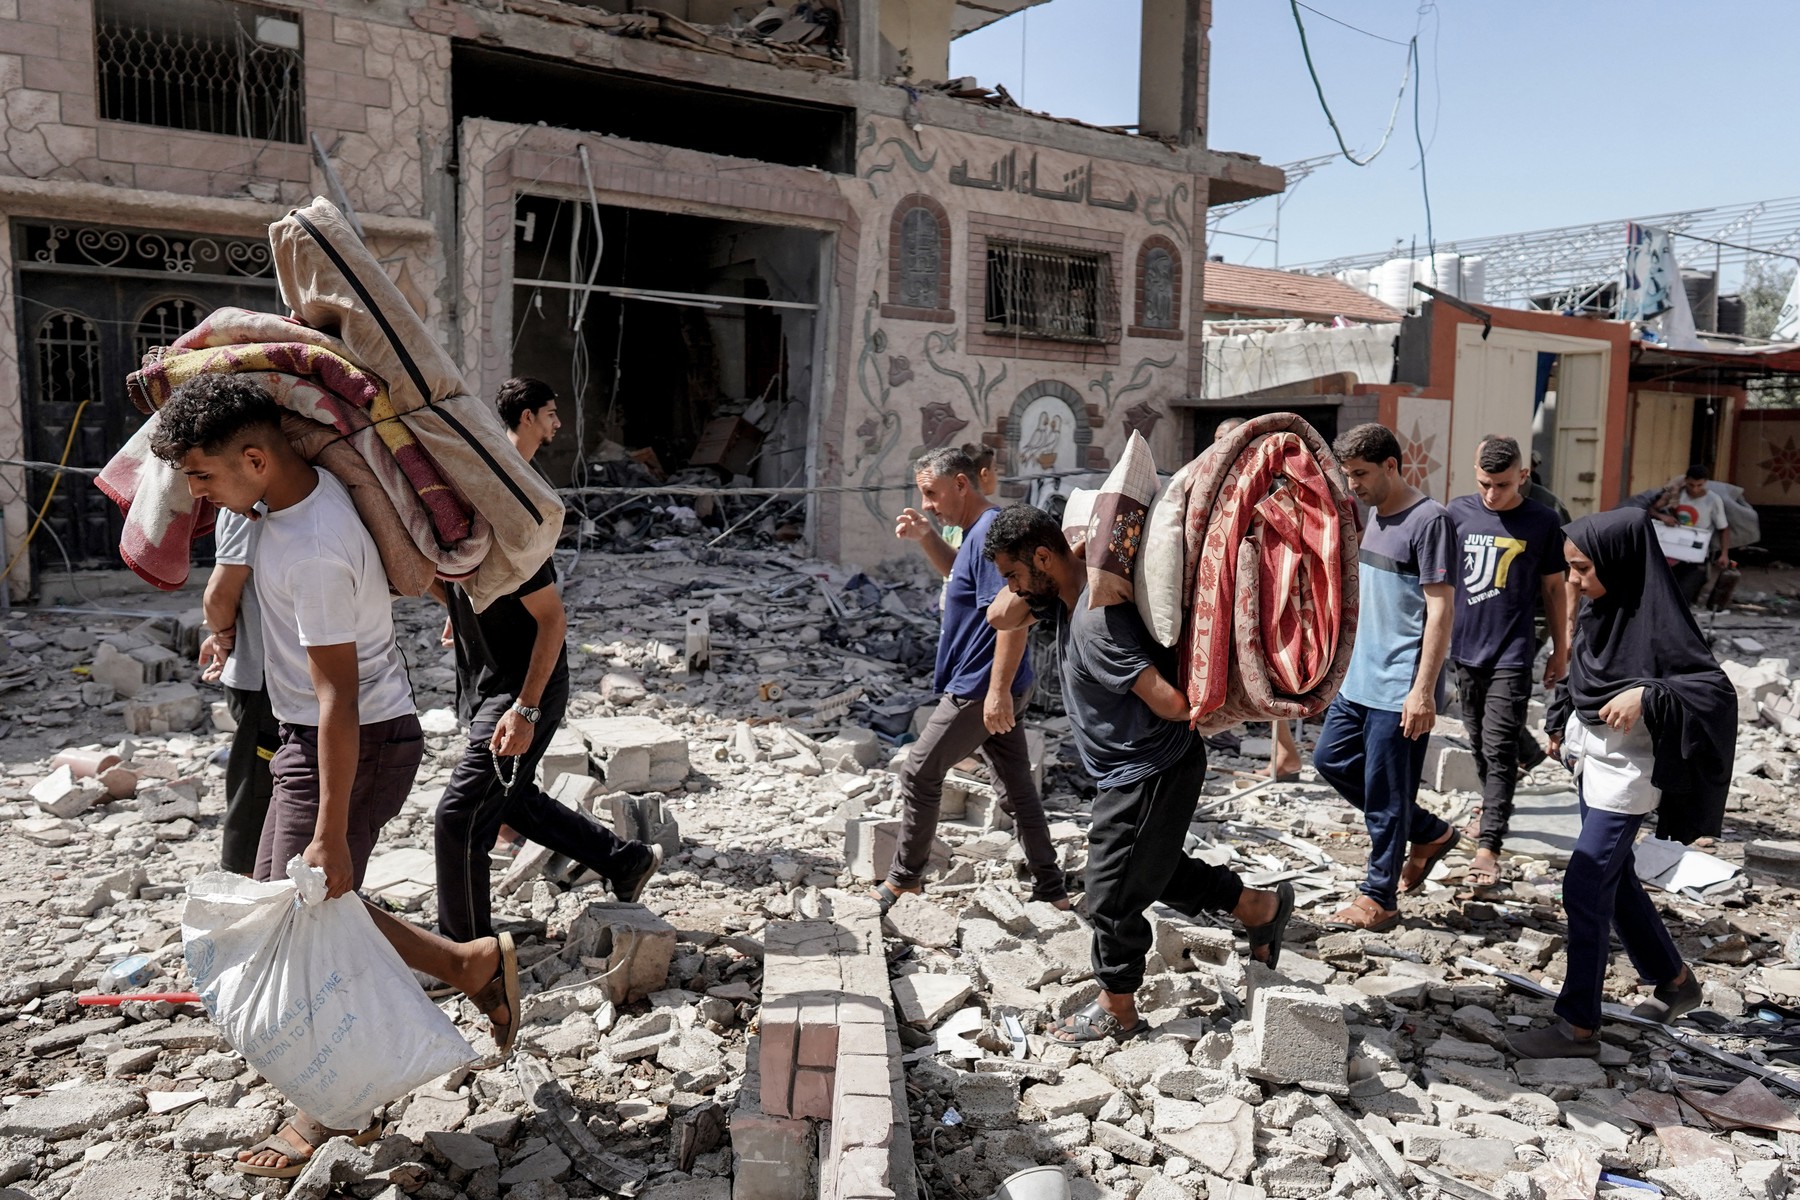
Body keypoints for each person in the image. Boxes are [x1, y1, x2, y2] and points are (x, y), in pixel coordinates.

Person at [150, 376, 519, 1176]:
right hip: (312, 735)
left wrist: (328, 830)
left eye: (203, 477)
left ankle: (327, 1111)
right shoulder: (271, 508)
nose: (197, 494)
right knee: (308, 903)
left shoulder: (315, 544)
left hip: (352, 739)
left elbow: (337, 696)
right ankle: (465, 964)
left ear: (254, 459)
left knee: (303, 909)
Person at [984, 504, 1292, 1042]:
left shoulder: (1098, 621)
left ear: (1041, 557)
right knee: (1152, 867)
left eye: (1013, 573)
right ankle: (1259, 906)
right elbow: (999, 617)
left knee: (1106, 894)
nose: (1011, 586)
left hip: (1150, 767)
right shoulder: (1066, 597)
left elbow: (1172, 702)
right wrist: (1058, 564)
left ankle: (1117, 1007)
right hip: (1133, 767)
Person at [434, 378, 661, 945]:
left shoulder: (516, 515)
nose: (558, 423)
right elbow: (457, 582)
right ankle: (625, 861)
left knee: (460, 819)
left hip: (520, 687)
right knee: (513, 800)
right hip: (489, 676)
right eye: (552, 414)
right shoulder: (475, 513)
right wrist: (458, 605)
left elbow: (552, 619)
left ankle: (467, 951)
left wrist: (526, 710)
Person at [1509, 509, 1734, 1058]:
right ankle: (1675, 981)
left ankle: (1578, 1028)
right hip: (1591, 762)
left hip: (1629, 775)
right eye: (1569, 569)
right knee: (1614, 877)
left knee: (1585, 883)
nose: (1575, 582)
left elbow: (1713, 692)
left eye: (1584, 569)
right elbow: (1581, 671)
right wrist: (1561, 717)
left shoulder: (1658, 622)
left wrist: (1648, 696)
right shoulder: (1600, 610)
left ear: (1620, 563)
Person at [878, 448, 1066, 911]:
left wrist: (997, 692)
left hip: (981, 684)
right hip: (990, 682)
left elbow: (1015, 616)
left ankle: (905, 880)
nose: (926, 504)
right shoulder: (976, 534)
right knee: (1017, 789)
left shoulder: (991, 534)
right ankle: (1052, 888)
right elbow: (962, 579)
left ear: (962, 484)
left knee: (920, 772)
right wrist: (927, 538)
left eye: (931, 493)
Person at [1312, 423, 1459, 930]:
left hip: (1400, 686)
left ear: (1392, 466)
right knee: (1330, 760)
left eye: (1361, 474)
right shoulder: (1371, 516)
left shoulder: (1430, 521)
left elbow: (1441, 611)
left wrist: (1422, 691)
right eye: (1348, 474)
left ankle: (1380, 897)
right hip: (1359, 678)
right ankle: (1430, 833)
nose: (1353, 484)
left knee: (1387, 794)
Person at [1448, 436, 1570, 890]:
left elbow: (1556, 590)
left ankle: (1489, 846)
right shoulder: (1457, 513)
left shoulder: (1542, 520)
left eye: (1501, 484)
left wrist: (1561, 649)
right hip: (1465, 650)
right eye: (1484, 483)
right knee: (1480, 738)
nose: (1492, 494)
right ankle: (1531, 758)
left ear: (1523, 476)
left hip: (1512, 653)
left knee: (1498, 750)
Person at [1214, 417, 1302, 780]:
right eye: (1219, 438)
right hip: (1232, 589)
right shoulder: (1219, 479)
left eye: (1230, 437)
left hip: (1260, 590)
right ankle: (1284, 756)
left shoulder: (1262, 480)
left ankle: (1286, 757)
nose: (1224, 444)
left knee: (1267, 670)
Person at [198, 508, 279, 876]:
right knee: (255, 791)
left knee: (272, 787)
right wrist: (220, 634)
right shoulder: (249, 508)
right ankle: (246, 888)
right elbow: (219, 594)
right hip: (261, 677)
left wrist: (220, 634)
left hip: (268, 672)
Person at [1667, 465, 1732, 605]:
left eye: (1699, 485)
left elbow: (1723, 528)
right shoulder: (1676, 495)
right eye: (1691, 485)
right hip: (1673, 552)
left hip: (1697, 555)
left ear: (1706, 482)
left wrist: (1724, 554)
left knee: (1684, 593)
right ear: (1685, 481)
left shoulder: (1713, 500)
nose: (1695, 489)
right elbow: (1654, 510)